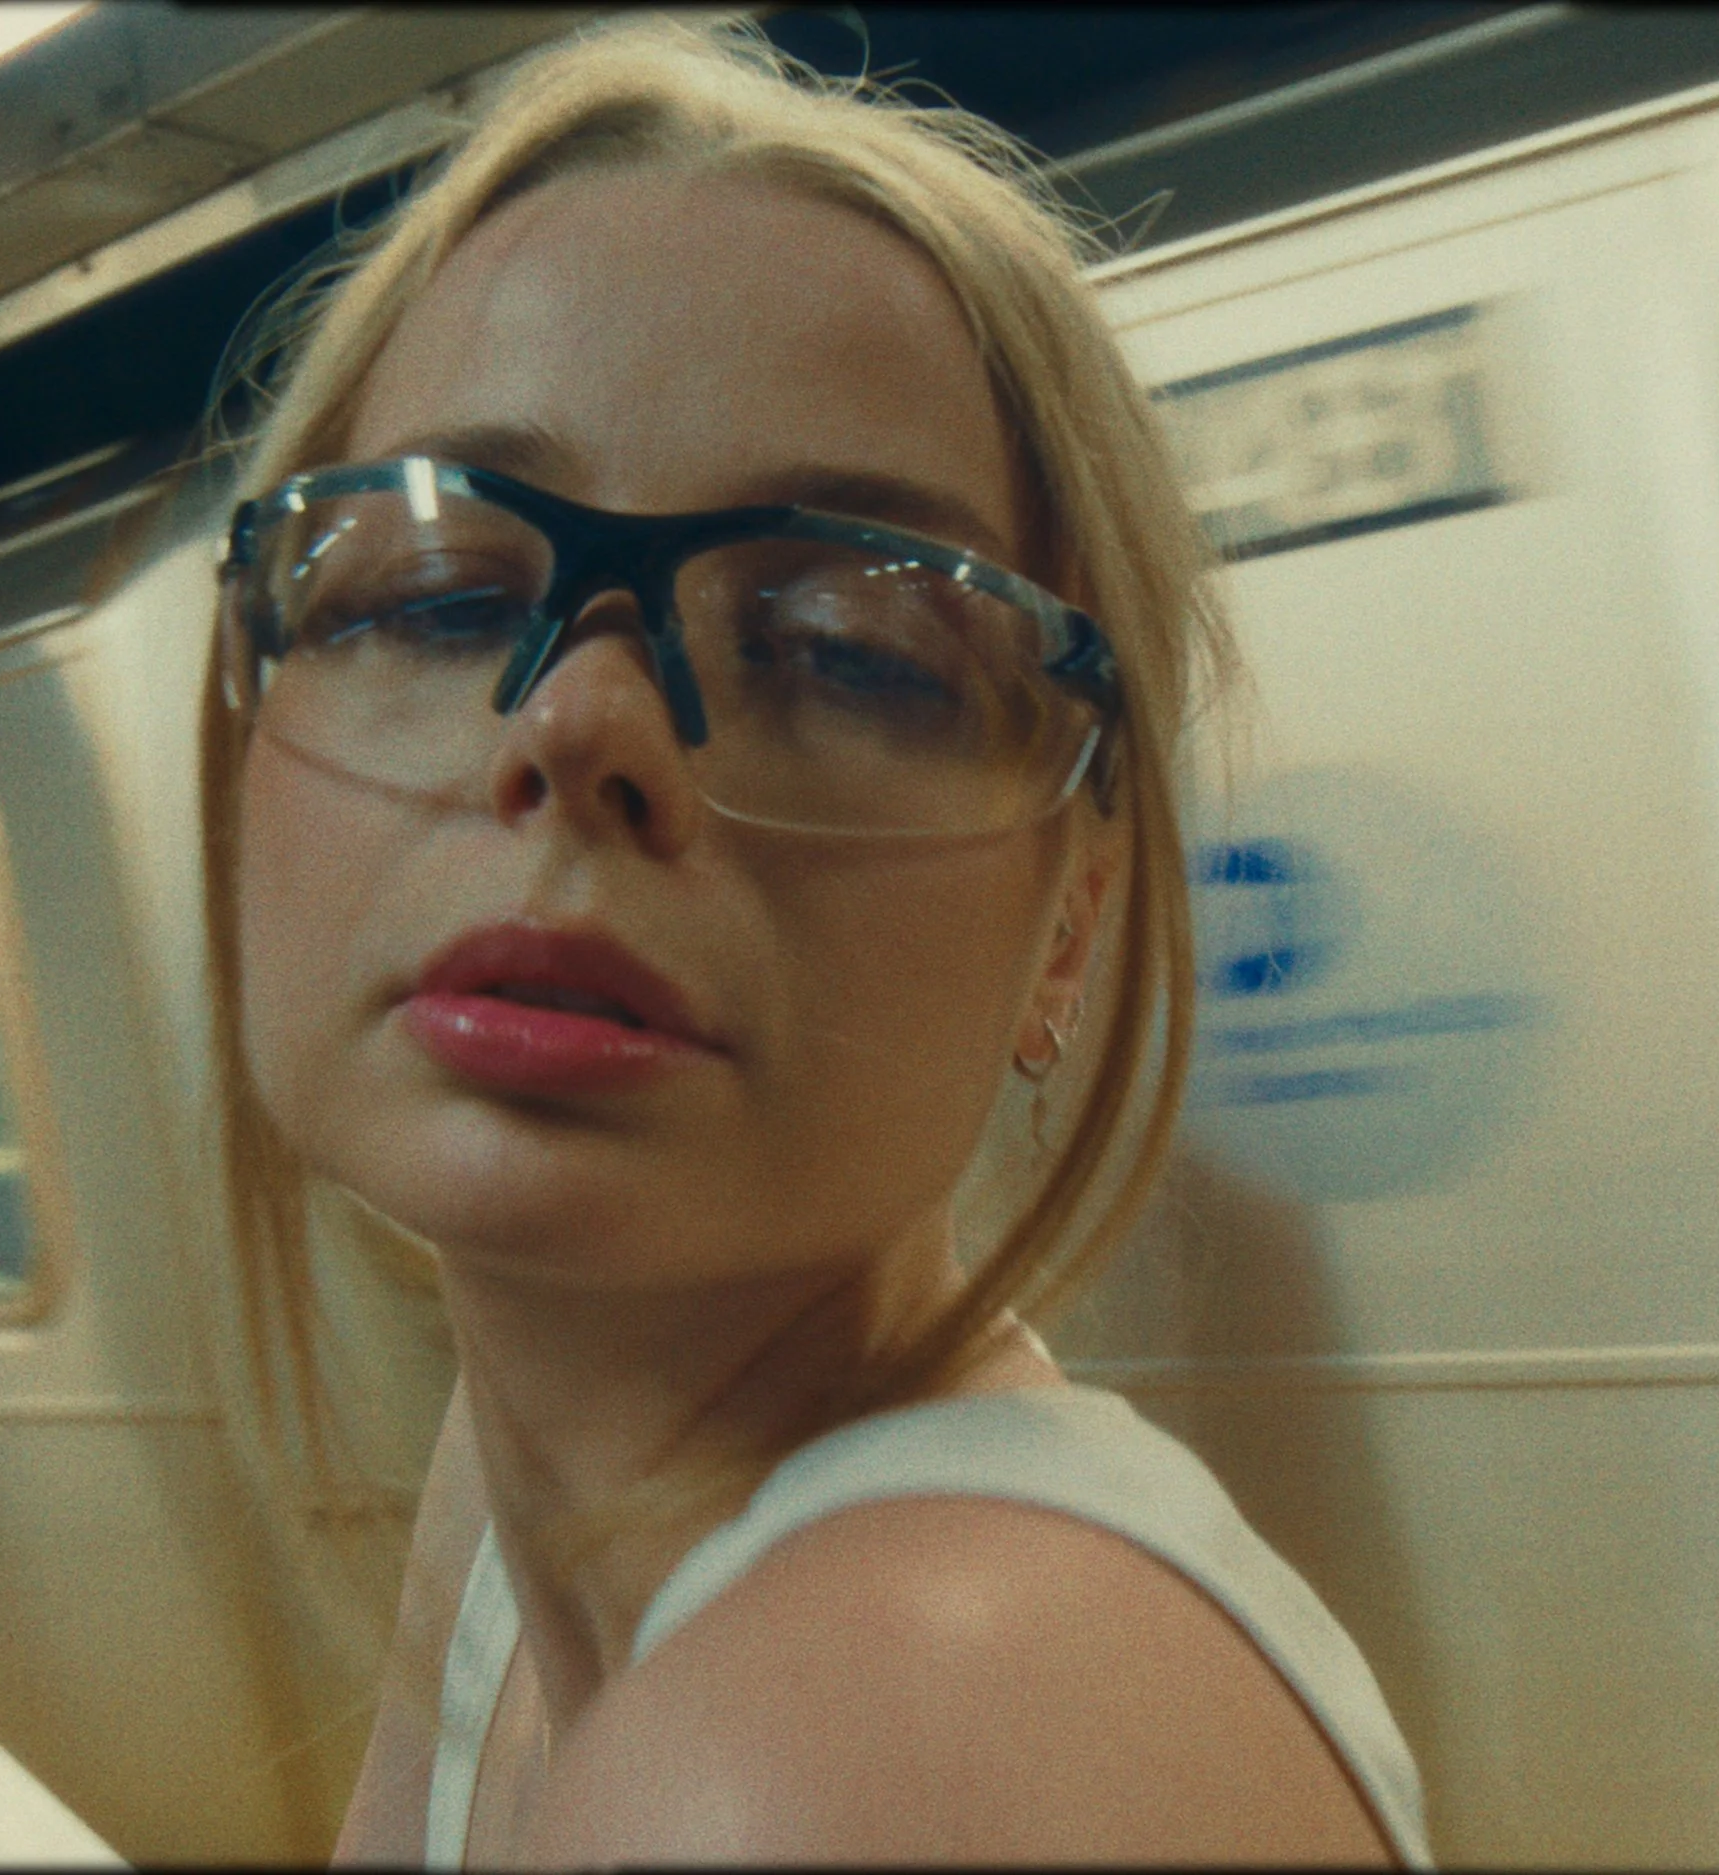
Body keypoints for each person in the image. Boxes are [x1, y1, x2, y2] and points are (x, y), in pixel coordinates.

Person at [199, 15, 1430, 1866]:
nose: (578, 722)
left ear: (1072, 918)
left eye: (852, 648)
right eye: (441, 595)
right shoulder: (513, 1509)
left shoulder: (858, 1747)